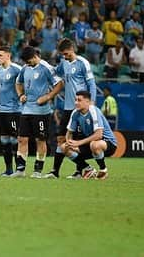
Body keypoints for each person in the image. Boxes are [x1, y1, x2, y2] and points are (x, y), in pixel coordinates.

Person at [46, 38, 96, 179]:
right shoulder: (64, 63)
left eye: (67, 54)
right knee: (61, 138)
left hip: (81, 109)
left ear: (72, 49)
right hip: (68, 108)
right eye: (63, 54)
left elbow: (91, 84)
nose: (65, 56)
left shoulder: (82, 63)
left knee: (76, 141)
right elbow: (55, 71)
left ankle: (80, 171)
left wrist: (91, 103)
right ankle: (55, 171)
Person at [11, 46, 62, 178]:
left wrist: (48, 97)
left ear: (35, 56)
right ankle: (20, 170)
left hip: (42, 111)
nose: (27, 64)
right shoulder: (25, 68)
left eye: (29, 61)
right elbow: (18, 83)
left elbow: (60, 83)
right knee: (22, 139)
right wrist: (20, 95)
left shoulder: (46, 67)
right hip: (26, 109)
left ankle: (37, 171)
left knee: (40, 140)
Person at [60, 90, 117, 180]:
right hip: (91, 144)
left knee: (94, 144)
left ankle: (103, 170)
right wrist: (69, 142)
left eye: (79, 100)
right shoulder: (75, 113)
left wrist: (78, 143)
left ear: (87, 102)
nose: (76, 102)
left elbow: (99, 135)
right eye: (75, 100)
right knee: (64, 147)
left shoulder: (94, 111)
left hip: (108, 143)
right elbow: (69, 132)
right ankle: (88, 169)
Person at [0, 46, 22, 176]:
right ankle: (8, 169)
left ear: (8, 55)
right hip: (1, 110)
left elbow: (25, 82)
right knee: (4, 140)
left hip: (14, 110)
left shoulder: (17, 69)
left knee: (15, 140)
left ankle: (19, 169)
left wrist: (23, 96)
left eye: (0, 55)